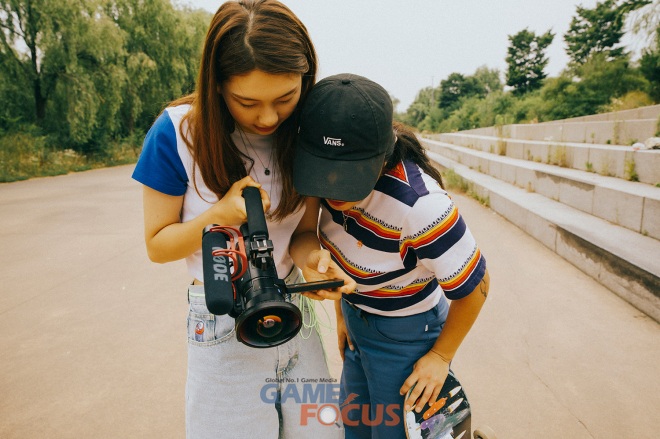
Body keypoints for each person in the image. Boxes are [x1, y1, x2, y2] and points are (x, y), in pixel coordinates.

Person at [131, 2, 353, 438]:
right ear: (216, 85)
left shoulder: (308, 133)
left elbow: (302, 234)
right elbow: (157, 245)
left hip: (293, 313)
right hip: (221, 324)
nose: (268, 118)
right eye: (247, 102)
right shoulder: (177, 133)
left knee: (322, 433)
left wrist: (313, 264)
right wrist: (218, 214)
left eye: (285, 98)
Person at [290, 73, 491, 438]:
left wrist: (441, 357)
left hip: (406, 335)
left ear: (381, 160)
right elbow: (310, 237)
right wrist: (338, 307)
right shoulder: (319, 179)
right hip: (358, 322)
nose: (332, 189)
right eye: (324, 173)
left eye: (347, 177)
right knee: (354, 426)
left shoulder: (420, 207)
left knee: (394, 432)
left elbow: (477, 285)